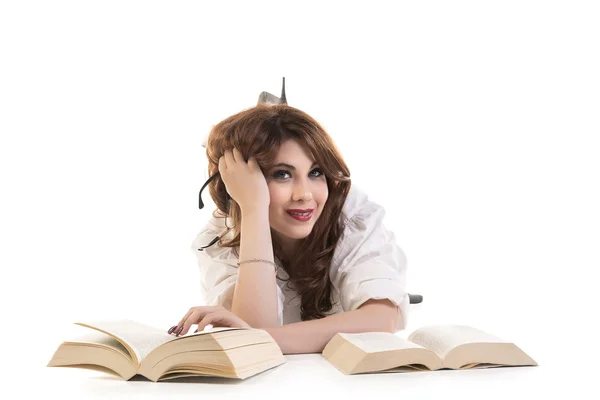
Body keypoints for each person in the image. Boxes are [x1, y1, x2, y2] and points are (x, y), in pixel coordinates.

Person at [167, 95, 410, 354]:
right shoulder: (220, 236)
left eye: (316, 172)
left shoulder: (351, 215)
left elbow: (381, 319)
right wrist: (253, 211)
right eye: (282, 174)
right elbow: (251, 353)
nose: (304, 194)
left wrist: (263, 339)